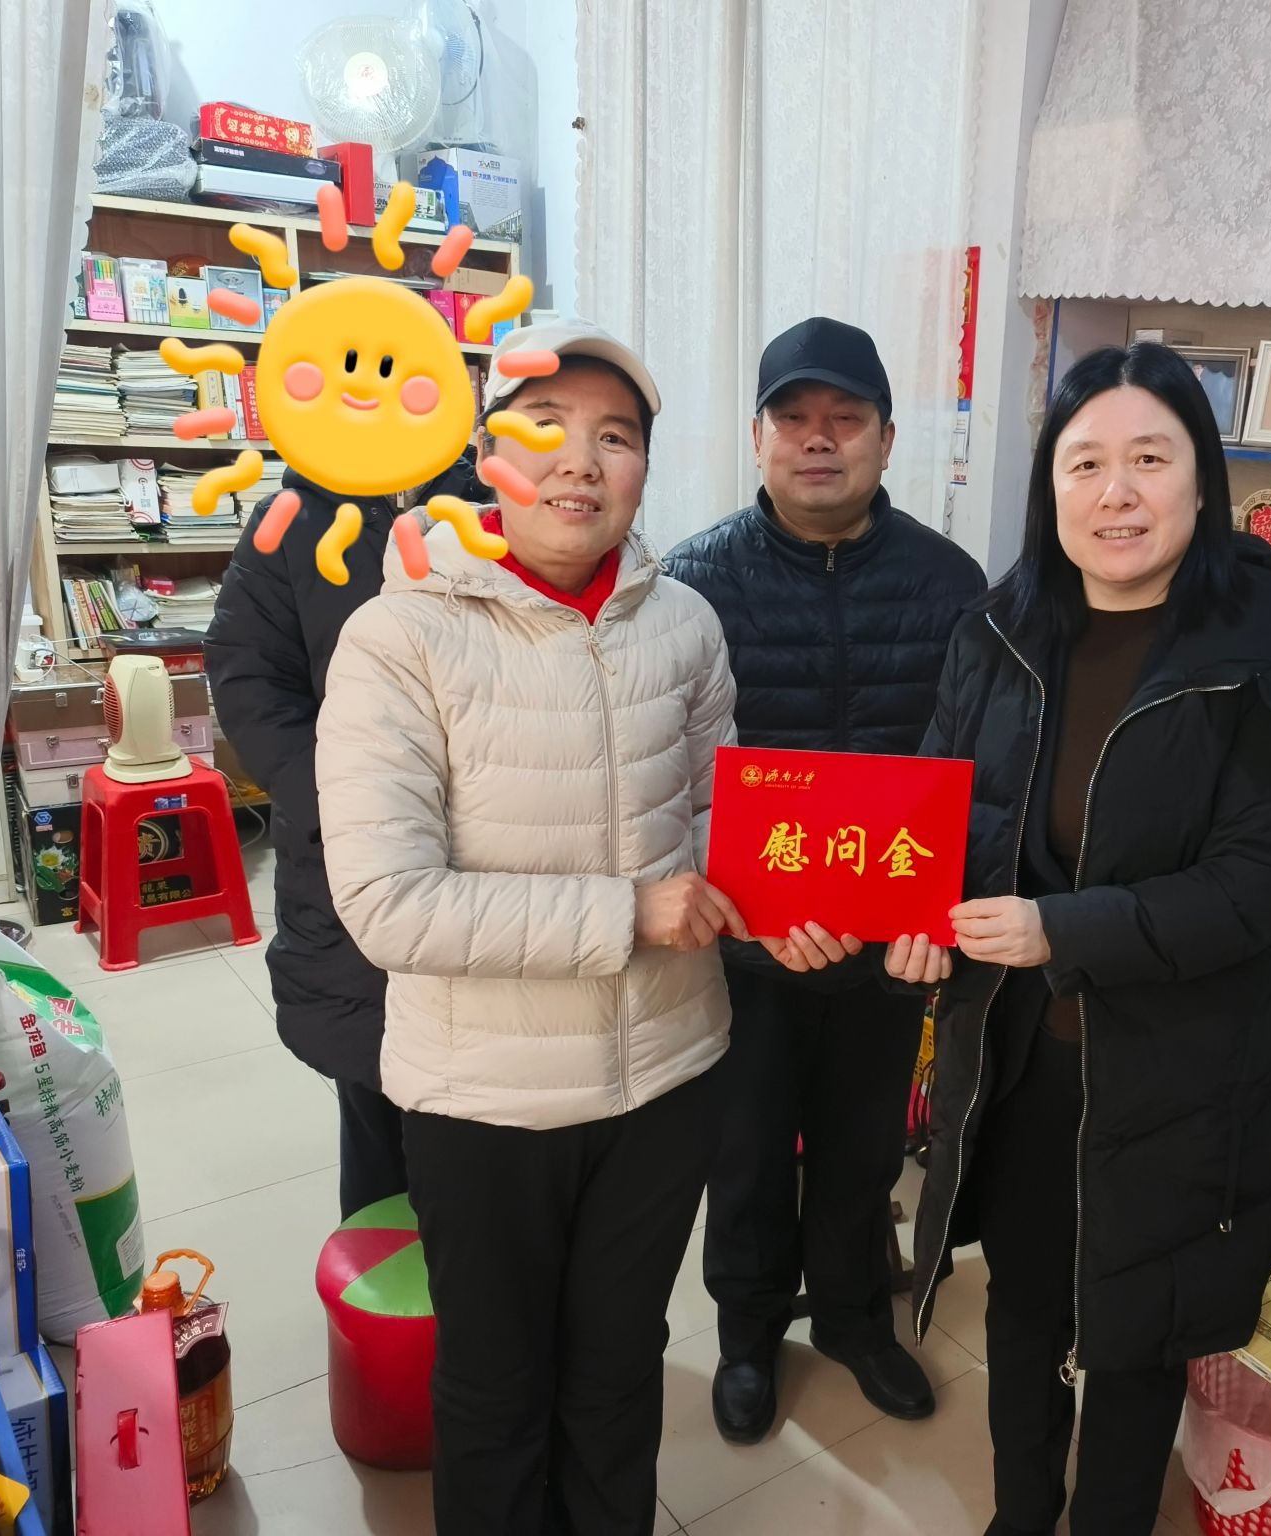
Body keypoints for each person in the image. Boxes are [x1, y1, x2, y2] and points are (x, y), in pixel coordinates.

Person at [891, 342, 1271, 1536]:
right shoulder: (997, 633)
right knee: (1022, 1312)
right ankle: (1018, 1517)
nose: (1115, 492)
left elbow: (1254, 890)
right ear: (1049, 489)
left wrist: (1053, 927)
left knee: (1135, 1338)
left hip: (1178, 1083)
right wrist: (914, 919)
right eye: (1084, 463)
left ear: (1200, 483)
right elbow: (936, 814)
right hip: (1020, 1065)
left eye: (1149, 460)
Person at [315, 320, 746, 1535]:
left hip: (667, 1071)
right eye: (543, 428)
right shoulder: (401, 634)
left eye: (614, 437)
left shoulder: (686, 624)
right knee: (496, 1391)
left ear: (644, 467)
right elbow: (388, 900)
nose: (577, 463)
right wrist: (630, 911)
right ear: (486, 454)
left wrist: (776, 902)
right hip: (485, 1099)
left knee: (617, 1372)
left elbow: (717, 816)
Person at [665, 317, 986, 1444]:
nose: (818, 439)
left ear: (885, 440)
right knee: (747, 1148)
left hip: (889, 941)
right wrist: (738, 916)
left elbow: (973, 762)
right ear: (756, 437)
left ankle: (854, 1318)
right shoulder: (691, 585)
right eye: (793, 418)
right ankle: (748, 1332)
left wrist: (938, 915)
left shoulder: (950, 583)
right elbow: (666, 776)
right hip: (747, 942)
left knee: (863, 1146)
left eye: (844, 419)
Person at [206, 444, 472, 1218]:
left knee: (489, 1112)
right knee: (376, 1089)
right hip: (351, 857)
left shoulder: (492, 501)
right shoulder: (289, 520)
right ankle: (383, 1281)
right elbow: (250, 678)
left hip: (491, 855)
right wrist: (341, 801)